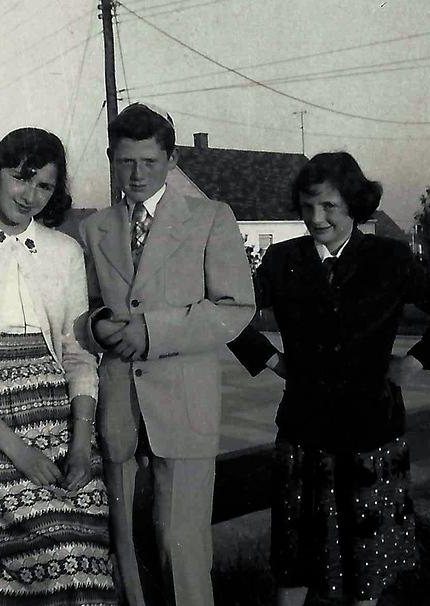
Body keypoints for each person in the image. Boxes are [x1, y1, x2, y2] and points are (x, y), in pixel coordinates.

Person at [228, 152, 430, 606]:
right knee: (294, 564)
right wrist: (272, 361)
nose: (315, 219)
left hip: (370, 435)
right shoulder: (282, 260)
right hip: (305, 434)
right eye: (305, 208)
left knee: (365, 569)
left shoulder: (390, 258)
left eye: (328, 208)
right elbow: (227, 315)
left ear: (354, 205)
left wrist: (415, 362)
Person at [0, 128, 119, 605]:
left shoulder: (66, 253)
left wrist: (79, 445)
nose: (29, 196)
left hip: (60, 421)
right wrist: (19, 452)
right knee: (53, 534)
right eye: (21, 178)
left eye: (44, 187)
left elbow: (77, 355)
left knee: (87, 538)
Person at [77, 102, 255, 606]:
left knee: (183, 545)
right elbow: (84, 310)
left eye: (150, 162)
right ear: (111, 158)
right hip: (118, 409)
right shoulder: (94, 228)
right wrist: (97, 325)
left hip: (184, 406)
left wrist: (151, 332)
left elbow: (235, 308)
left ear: (171, 159)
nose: (136, 174)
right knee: (126, 547)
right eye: (125, 161)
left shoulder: (210, 218)